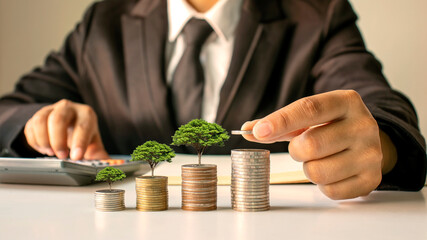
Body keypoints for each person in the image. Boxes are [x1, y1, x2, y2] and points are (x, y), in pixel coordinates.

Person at [0, 0, 425, 200]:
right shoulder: (103, 22)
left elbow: (378, 105)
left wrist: (381, 143)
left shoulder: (318, 14)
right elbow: (9, 109)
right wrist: (39, 121)